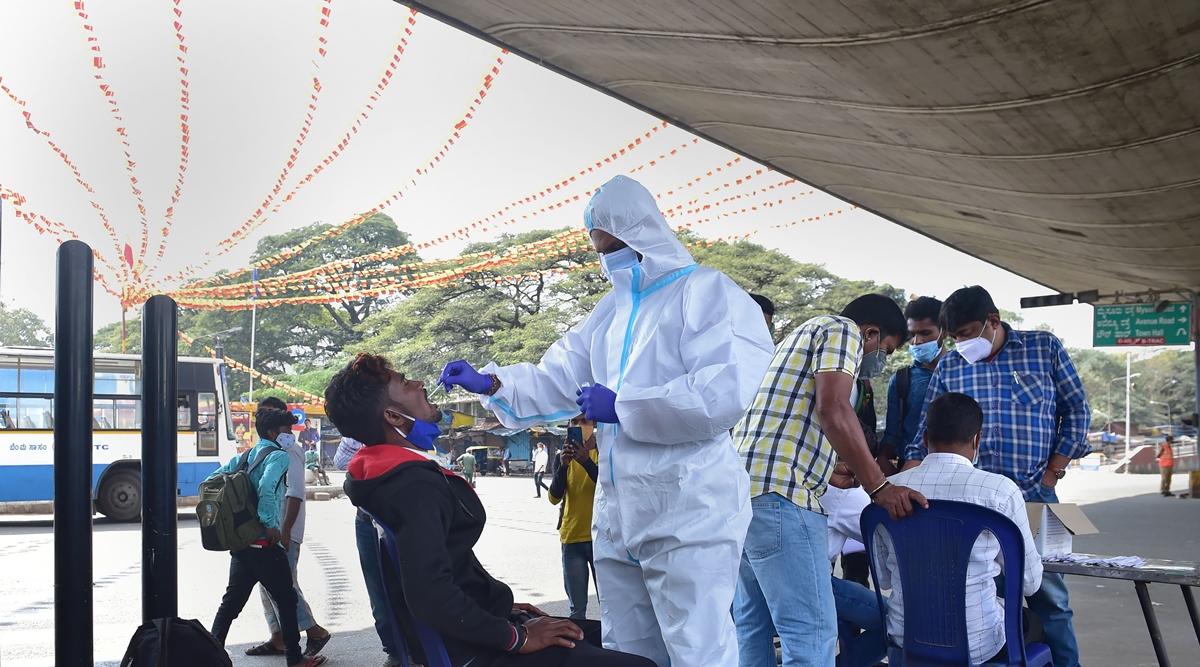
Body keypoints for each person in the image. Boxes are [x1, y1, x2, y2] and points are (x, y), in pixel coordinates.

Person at [440, 174, 775, 667]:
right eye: (601, 248)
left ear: (645, 235)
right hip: (618, 511)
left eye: (616, 246)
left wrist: (623, 406)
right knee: (627, 648)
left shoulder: (705, 292)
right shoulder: (611, 312)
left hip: (689, 506)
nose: (609, 258)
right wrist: (492, 384)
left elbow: (721, 394)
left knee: (697, 647)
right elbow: (559, 375)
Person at [328, 353, 657, 667]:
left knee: (622, 637)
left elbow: (446, 567)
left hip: (477, 630)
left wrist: (499, 607)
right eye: (405, 383)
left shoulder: (381, 475)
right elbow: (429, 595)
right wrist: (516, 637)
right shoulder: (413, 486)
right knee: (640, 658)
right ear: (394, 417)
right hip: (477, 652)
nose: (419, 384)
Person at [733, 294, 928, 667]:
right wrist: (880, 486)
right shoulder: (842, 331)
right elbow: (833, 408)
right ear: (871, 332)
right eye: (884, 349)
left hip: (744, 495)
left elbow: (787, 423)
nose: (880, 360)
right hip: (782, 498)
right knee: (810, 632)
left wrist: (828, 467)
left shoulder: (795, 338)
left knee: (752, 627)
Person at [904, 285, 1090, 667]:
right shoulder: (951, 367)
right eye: (955, 337)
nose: (962, 343)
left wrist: (1054, 471)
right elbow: (927, 429)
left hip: (1037, 494)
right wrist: (907, 476)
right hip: (975, 501)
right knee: (985, 595)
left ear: (993, 321)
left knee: (1051, 599)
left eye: (969, 333)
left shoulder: (1043, 348)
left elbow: (1077, 410)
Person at [883, 393, 1044, 664]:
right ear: (977, 440)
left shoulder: (890, 491)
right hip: (978, 644)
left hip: (905, 636)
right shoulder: (1000, 491)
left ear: (924, 439)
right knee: (1033, 624)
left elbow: (885, 578)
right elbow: (1029, 583)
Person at [335, 409, 457, 667]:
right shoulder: (365, 430)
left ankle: (428, 650)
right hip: (369, 520)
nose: (418, 386)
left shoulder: (417, 429)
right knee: (381, 593)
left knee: (422, 585)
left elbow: (442, 422)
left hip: (411, 513)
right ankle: (396, 651)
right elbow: (341, 461)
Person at [208, 408, 327, 667]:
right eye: (287, 430)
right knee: (286, 599)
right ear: (274, 433)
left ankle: (210, 655)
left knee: (231, 603)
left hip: (242, 543)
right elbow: (266, 488)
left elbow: (212, 481)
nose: (291, 435)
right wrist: (270, 524)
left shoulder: (246, 456)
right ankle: (295, 659)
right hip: (264, 543)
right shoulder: (278, 457)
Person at [247, 398, 332, 659]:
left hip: (285, 530)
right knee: (267, 583)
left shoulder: (291, 452)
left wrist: (286, 531)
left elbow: (295, 494)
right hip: (267, 529)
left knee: (284, 584)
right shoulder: (265, 450)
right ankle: (278, 636)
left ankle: (314, 630)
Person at [879, 296, 947, 475]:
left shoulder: (964, 372)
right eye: (912, 335)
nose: (917, 341)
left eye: (925, 333)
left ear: (945, 332)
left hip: (957, 470)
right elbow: (893, 431)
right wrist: (883, 458)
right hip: (910, 469)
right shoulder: (902, 379)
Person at [548, 415, 599, 619]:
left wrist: (586, 461)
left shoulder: (605, 453)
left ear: (594, 424)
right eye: (574, 422)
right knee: (576, 610)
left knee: (610, 604)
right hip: (571, 538)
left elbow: (611, 487)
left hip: (601, 537)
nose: (579, 426)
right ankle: (579, 649)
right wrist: (562, 466)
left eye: (584, 421)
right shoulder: (563, 457)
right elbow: (554, 497)